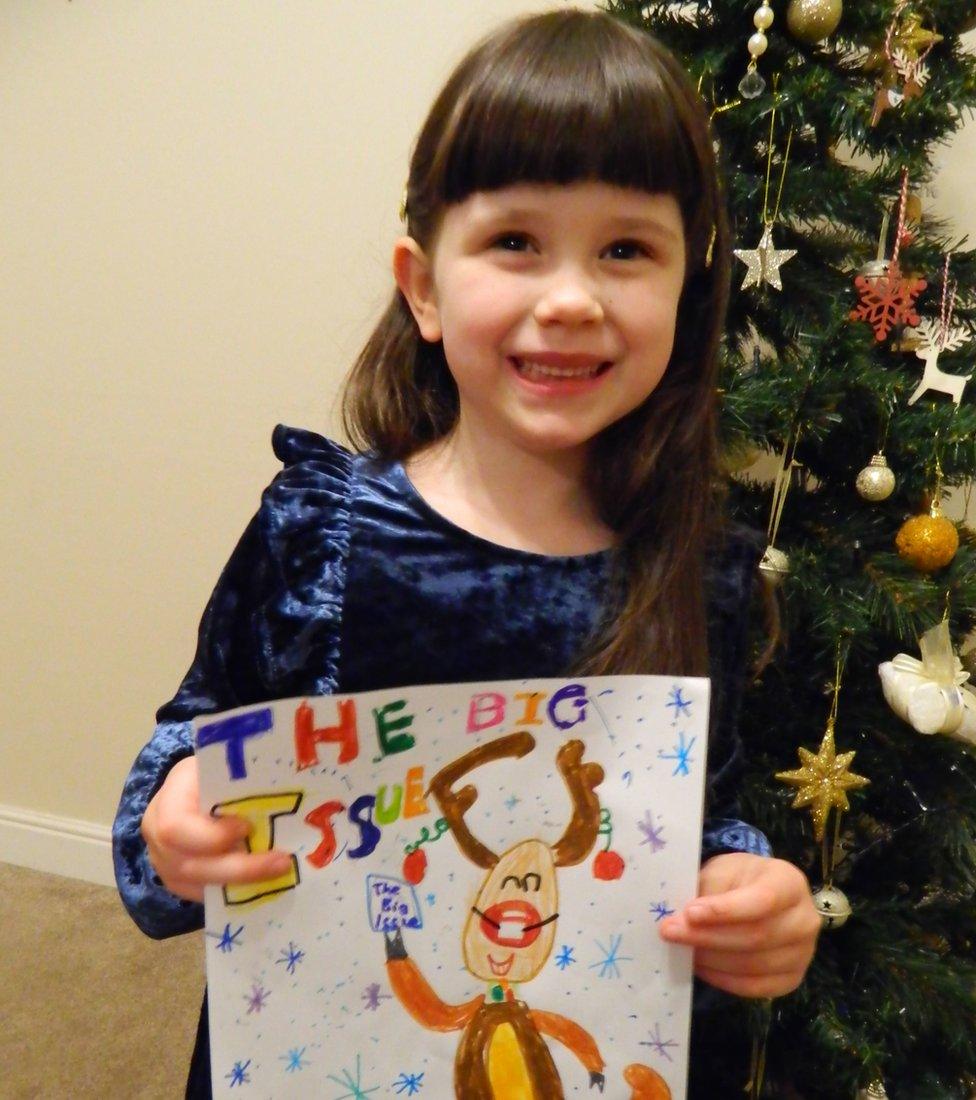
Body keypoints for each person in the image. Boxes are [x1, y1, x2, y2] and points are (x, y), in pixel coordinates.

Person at [113, 9, 820, 1098]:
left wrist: (746, 889)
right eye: (514, 242)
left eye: (626, 249)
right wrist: (175, 823)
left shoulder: (698, 569)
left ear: (689, 288)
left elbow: (684, 811)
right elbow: (191, 742)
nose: (572, 297)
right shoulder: (323, 534)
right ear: (424, 285)